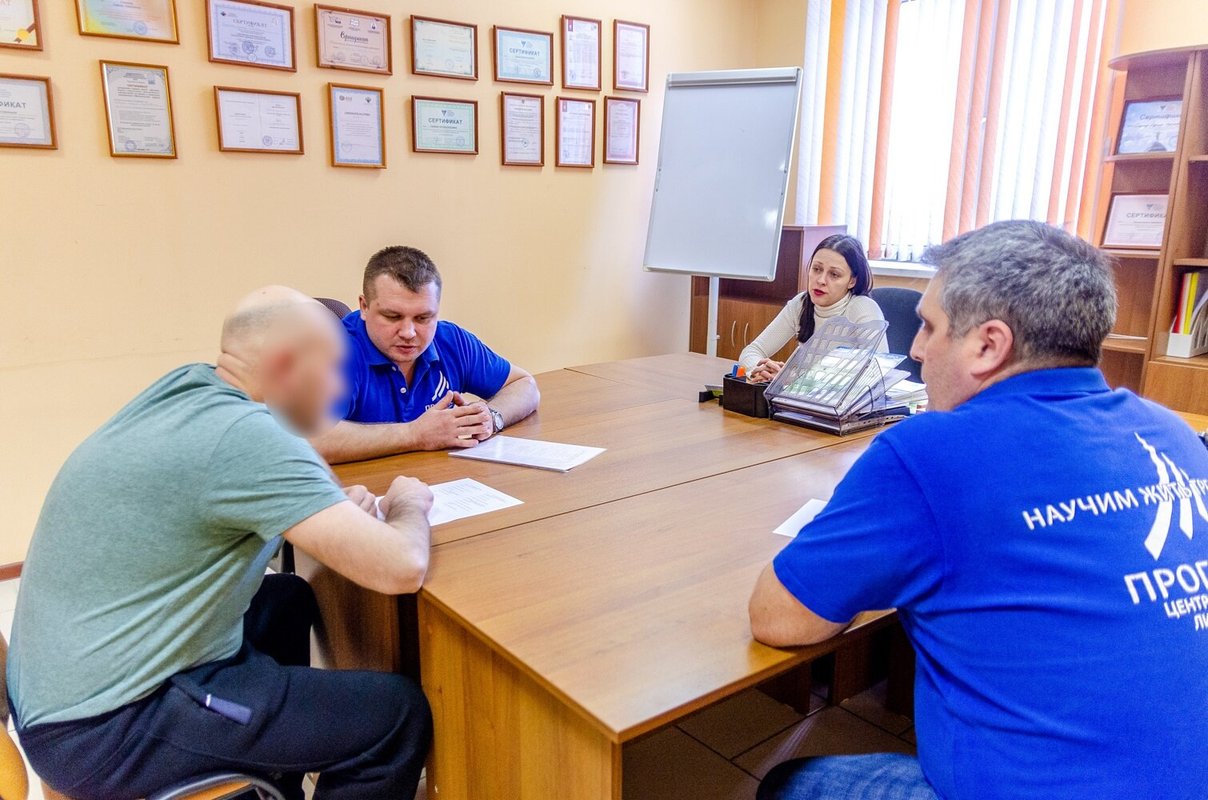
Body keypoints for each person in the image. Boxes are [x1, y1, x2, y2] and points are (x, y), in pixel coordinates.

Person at [748, 221, 1208, 800]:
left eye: (929, 327)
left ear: (989, 345)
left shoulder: (932, 453)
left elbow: (779, 619)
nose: (916, 350)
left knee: (789, 784)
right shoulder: (1174, 434)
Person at [8, 287, 436, 800]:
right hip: (104, 725)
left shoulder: (190, 388)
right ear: (285, 365)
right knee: (395, 716)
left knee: (288, 598)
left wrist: (325, 506)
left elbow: (275, 480)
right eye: (333, 369)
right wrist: (409, 505)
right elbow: (402, 566)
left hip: (66, 681)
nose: (341, 387)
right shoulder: (247, 438)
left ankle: (271, 781)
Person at [311, 246, 540, 464]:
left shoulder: (450, 339)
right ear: (364, 307)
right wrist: (414, 434)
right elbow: (309, 439)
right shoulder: (333, 351)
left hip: (440, 481)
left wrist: (491, 417)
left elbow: (524, 385)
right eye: (392, 316)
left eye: (423, 318)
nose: (408, 333)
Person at [741, 234, 883, 383]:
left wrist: (791, 379)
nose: (821, 280)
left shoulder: (863, 308)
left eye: (834, 274)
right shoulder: (801, 303)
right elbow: (751, 352)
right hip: (797, 395)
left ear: (852, 281)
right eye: (817, 269)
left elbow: (877, 373)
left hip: (839, 398)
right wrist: (761, 370)